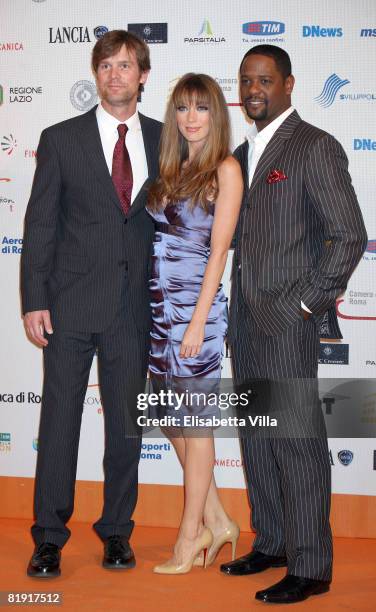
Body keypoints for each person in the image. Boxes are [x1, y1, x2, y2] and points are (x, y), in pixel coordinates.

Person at [222, 45, 368, 604]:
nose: (253, 89)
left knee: (296, 442)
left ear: (287, 84)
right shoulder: (240, 151)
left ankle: (311, 566)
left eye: (264, 80)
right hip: (245, 324)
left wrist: (306, 306)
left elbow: (348, 234)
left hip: (288, 322)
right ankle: (274, 541)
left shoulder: (314, 146)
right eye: (246, 81)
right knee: (258, 439)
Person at [20, 30, 162, 578]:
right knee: (59, 424)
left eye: (126, 65)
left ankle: (117, 533)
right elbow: (40, 226)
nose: (115, 75)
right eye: (105, 65)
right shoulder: (61, 138)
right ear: (96, 74)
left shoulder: (165, 137)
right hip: (70, 306)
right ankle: (49, 538)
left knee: (126, 425)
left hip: (135, 308)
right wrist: (35, 299)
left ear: (142, 75)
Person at [146, 73, 243, 574]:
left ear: (215, 114)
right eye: (182, 108)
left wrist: (198, 321)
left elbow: (219, 250)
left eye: (200, 108)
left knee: (195, 423)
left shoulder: (224, 169)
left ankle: (189, 538)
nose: (190, 118)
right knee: (169, 418)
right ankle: (220, 520)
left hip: (194, 315)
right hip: (160, 313)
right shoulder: (173, 167)